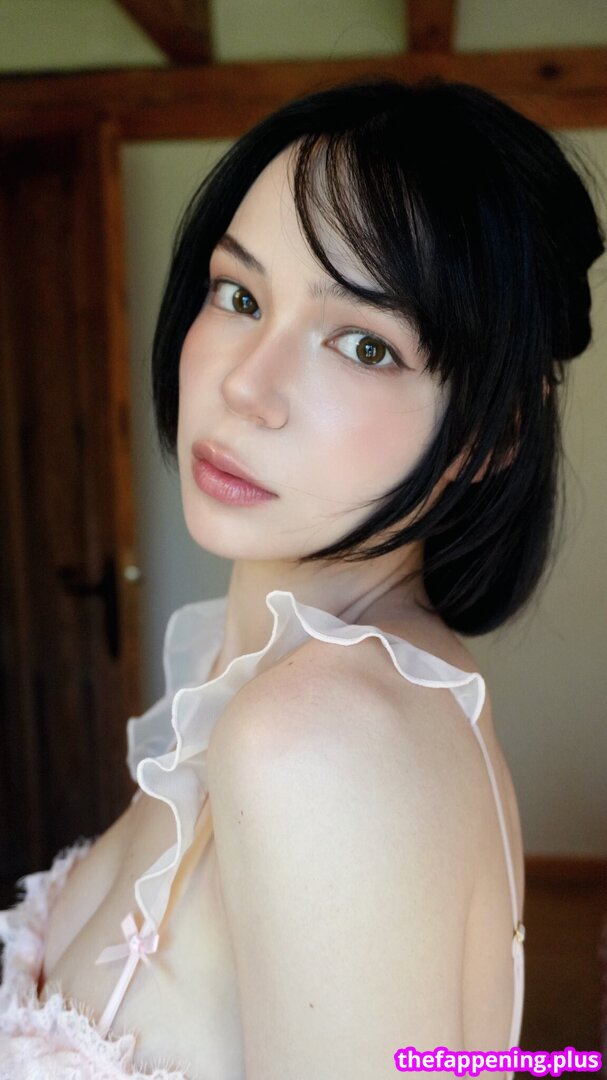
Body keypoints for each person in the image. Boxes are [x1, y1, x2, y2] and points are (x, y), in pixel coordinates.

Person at [0, 76, 603, 1080]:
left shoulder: (317, 744)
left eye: (363, 345)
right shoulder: (263, 676)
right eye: (239, 295)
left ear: (489, 435)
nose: (246, 384)